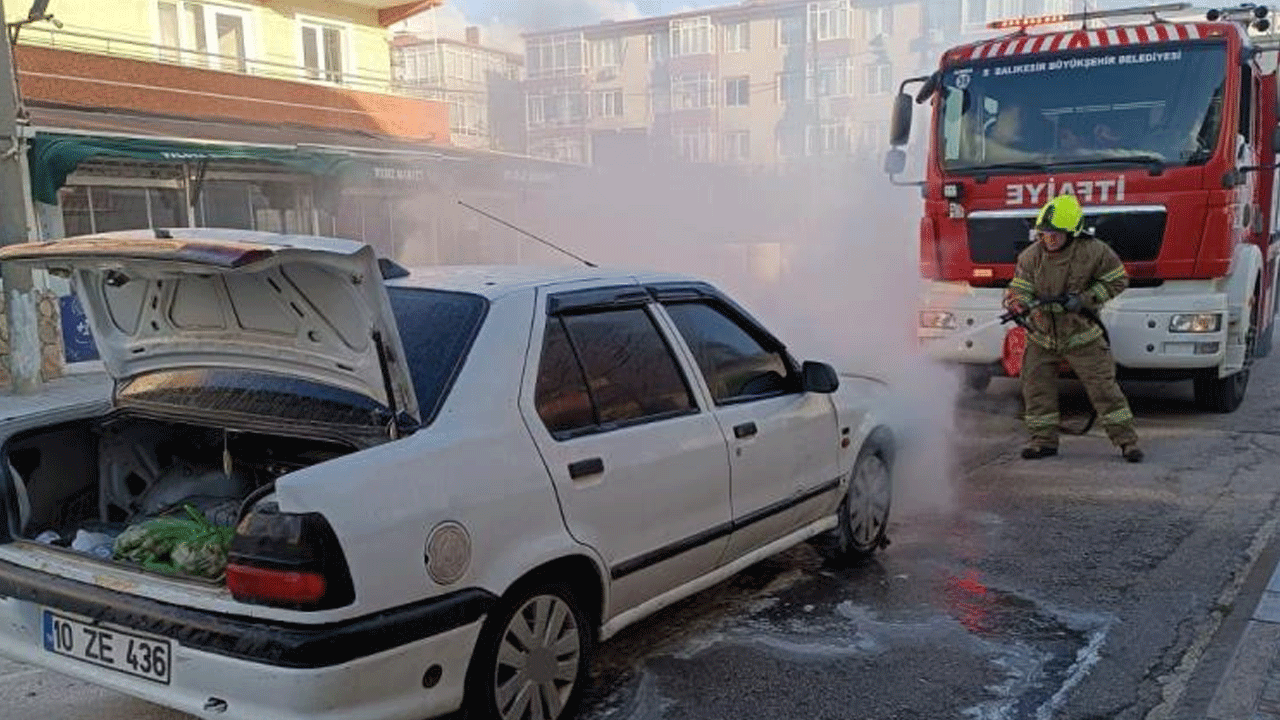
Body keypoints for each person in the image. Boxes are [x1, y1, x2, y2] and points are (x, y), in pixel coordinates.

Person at [1004, 194, 1143, 463]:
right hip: (1042, 335)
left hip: (1082, 335)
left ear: (1073, 232)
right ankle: (1043, 441)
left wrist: (1084, 300)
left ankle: (1127, 442)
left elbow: (1117, 280)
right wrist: (1018, 305)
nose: (1049, 239)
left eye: (1055, 234)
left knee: (1104, 390)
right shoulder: (1031, 256)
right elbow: (1019, 289)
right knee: (1036, 390)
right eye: (1044, 233)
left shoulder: (1095, 252)